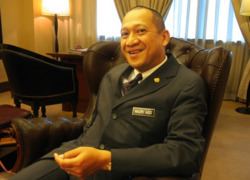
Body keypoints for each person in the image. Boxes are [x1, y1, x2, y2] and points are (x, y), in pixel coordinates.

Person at [11, 6, 207, 180]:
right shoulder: (113, 75)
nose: (130, 41)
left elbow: (185, 152)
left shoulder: (186, 84)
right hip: (74, 155)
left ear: (164, 37)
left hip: (122, 171)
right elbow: (94, 123)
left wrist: (106, 159)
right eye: (124, 34)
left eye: (141, 31)